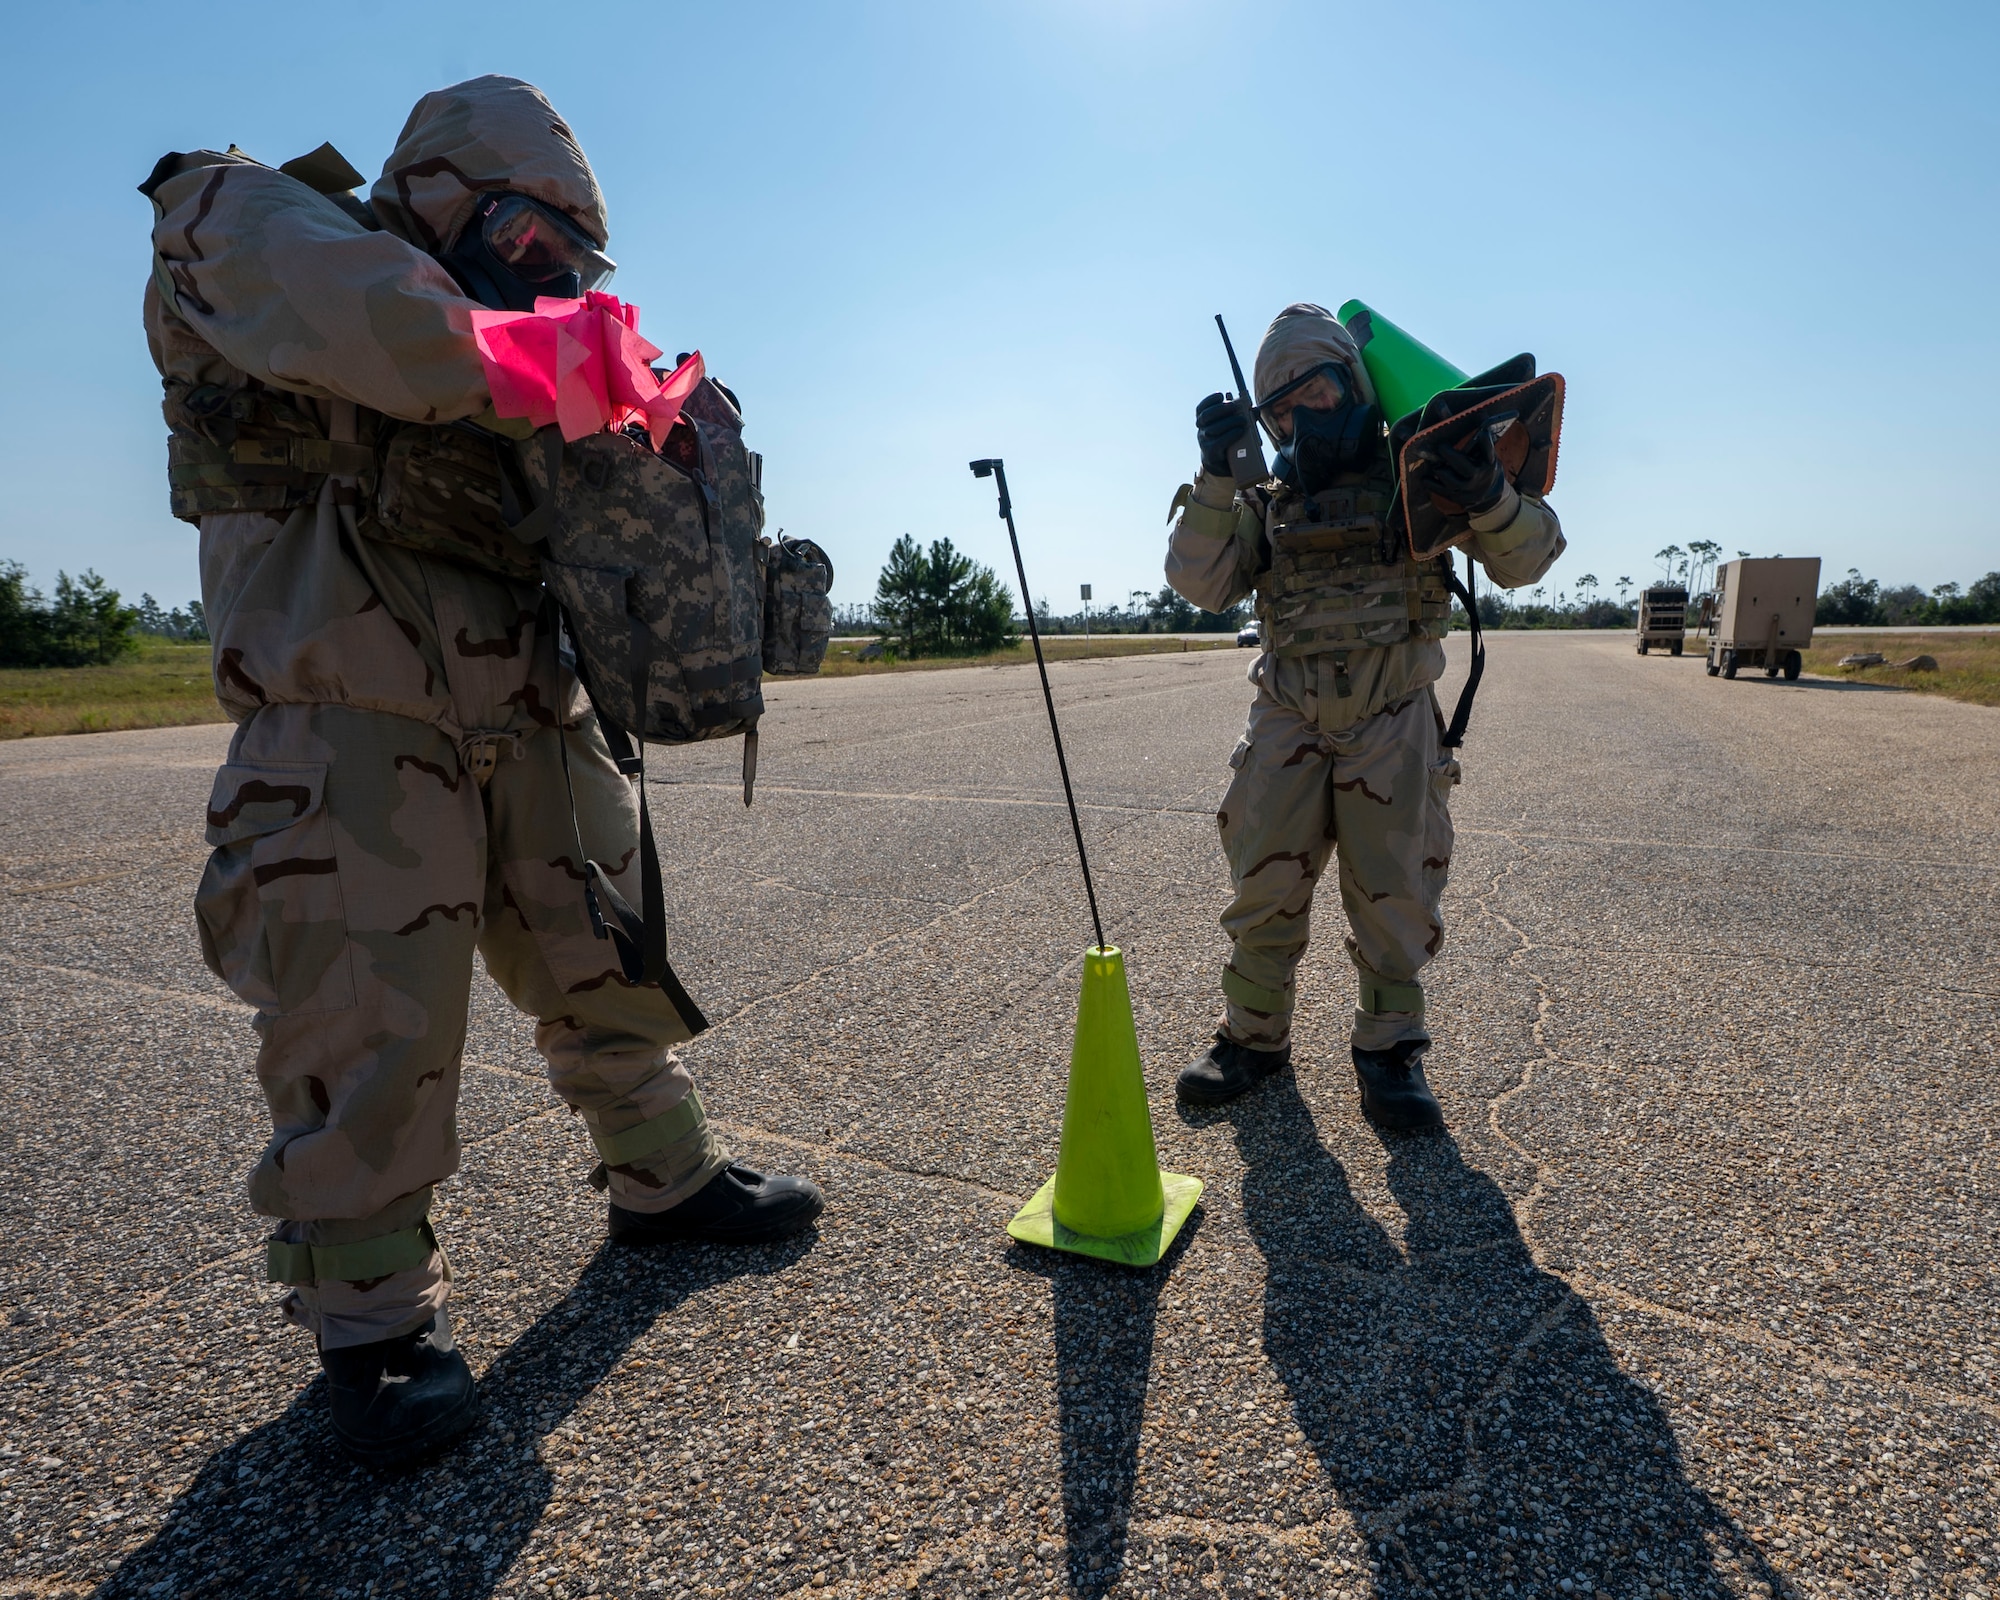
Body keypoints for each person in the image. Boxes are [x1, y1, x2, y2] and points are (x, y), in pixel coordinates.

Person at [141, 76, 821, 1469]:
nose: (553, 273)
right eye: (526, 238)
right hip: (352, 715)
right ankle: (373, 1327)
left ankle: (663, 1180)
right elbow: (406, 336)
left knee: (602, 955)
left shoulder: (516, 342)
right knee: (365, 1015)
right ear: (440, 193)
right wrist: (583, 364)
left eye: (575, 256)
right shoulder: (243, 218)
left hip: (526, 699)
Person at [1166, 303, 1564, 1129]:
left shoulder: (1420, 472)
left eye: (1313, 395)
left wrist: (1488, 494)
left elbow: (1529, 558)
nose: (1298, 420)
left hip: (1393, 716)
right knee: (1262, 887)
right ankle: (1253, 1040)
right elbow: (1199, 582)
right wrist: (1213, 476)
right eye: (1278, 412)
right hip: (1286, 712)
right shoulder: (1265, 497)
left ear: (1350, 381)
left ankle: (1389, 1054)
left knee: (1396, 898)